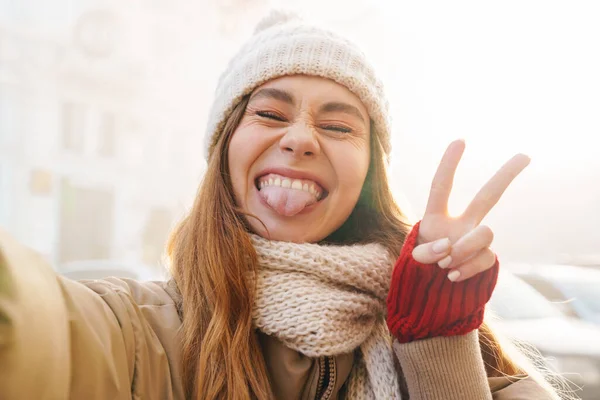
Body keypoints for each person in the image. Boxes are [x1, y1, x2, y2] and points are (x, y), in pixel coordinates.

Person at [0, 11, 563, 400]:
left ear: (370, 172)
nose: (300, 138)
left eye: (338, 124)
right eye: (269, 114)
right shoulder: (133, 332)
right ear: (224, 153)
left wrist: (440, 348)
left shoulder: (452, 335)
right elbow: (31, 324)